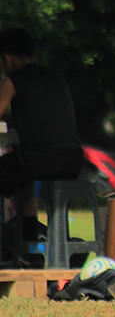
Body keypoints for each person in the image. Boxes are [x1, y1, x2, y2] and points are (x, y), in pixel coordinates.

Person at [0, 28, 84, 198]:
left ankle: (18, 223)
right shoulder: (57, 78)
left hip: (40, 162)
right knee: (19, 164)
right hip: (73, 161)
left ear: (8, 59)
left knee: (16, 166)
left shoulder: (13, 81)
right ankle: (29, 224)